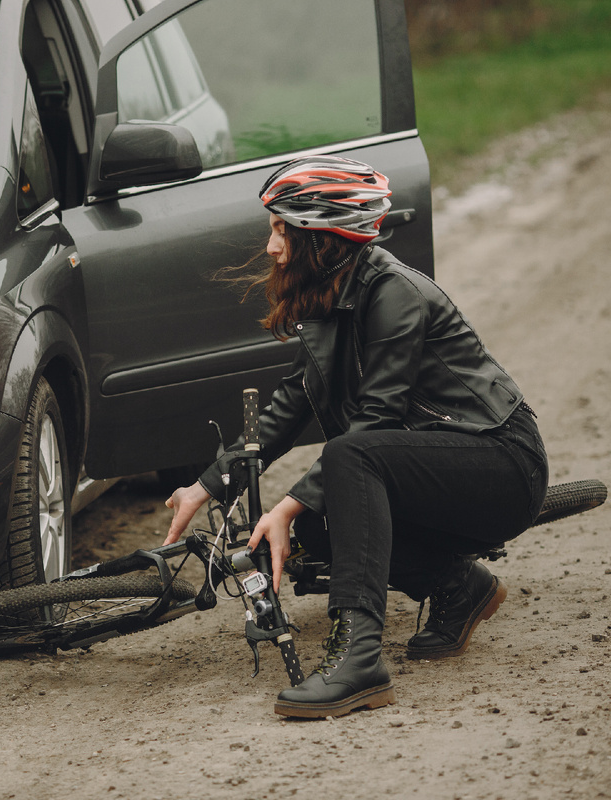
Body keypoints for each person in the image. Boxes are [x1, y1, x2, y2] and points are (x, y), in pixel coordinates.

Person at [164, 156, 548, 719]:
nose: (271, 247)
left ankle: (360, 659)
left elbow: (379, 419)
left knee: (345, 460)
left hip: (501, 461)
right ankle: (461, 587)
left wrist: (287, 504)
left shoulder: (394, 293)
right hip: (433, 460)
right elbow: (291, 403)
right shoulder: (330, 295)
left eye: (280, 229)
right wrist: (206, 484)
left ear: (319, 237)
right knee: (321, 524)